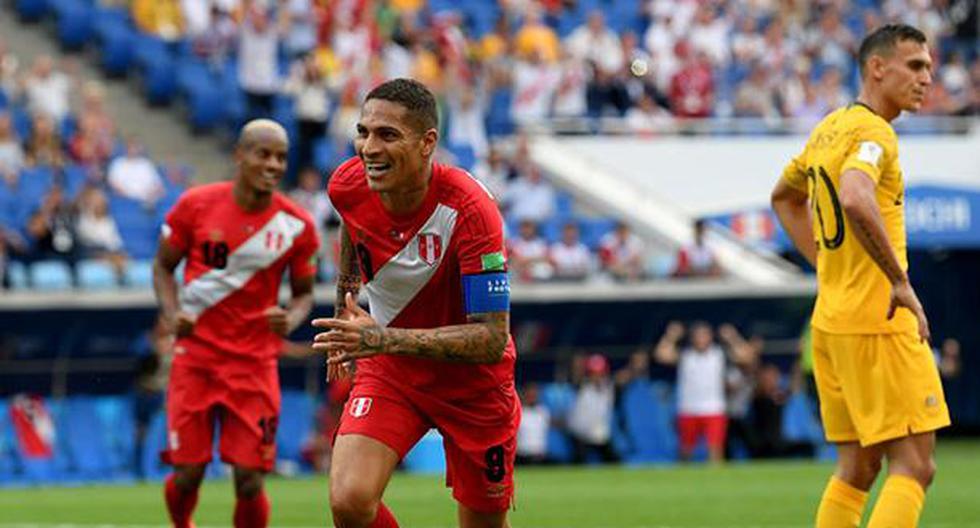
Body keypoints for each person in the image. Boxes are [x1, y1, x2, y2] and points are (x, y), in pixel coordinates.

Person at [310, 78, 521, 528]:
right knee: (349, 501)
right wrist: (346, 298)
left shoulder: (470, 211)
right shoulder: (348, 184)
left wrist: (380, 336)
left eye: (387, 135)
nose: (368, 147)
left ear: (427, 143)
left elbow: (490, 338)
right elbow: (352, 221)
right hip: (391, 370)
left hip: (475, 385)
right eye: (363, 132)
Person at [770, 24, 950, 528]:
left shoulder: (828, 129)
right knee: (915, 465)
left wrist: (827, 266)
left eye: (930, 68)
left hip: (831, 320)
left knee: (857, 468)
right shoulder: (875, 132)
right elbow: (854, 196)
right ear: (877, 68)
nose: (926, 78)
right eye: (915, 66)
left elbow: (784, 198)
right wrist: (898, 280)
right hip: (877, 319)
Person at [152, 119, 319, 528]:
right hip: (197, 359)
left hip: (254, 364)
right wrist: (173, 316)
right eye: (264, 153)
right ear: (239, 155)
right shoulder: (195, 206)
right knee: (188, 473)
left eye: (281, 157)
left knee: (248, 481)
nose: (274, 164)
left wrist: (292, 317)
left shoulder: (297, 226)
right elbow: (162, 266)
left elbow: (303, 294)